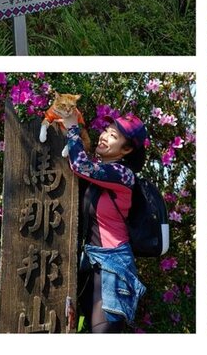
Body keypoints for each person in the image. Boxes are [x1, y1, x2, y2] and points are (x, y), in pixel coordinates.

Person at [56, 108, 147, 333]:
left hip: (113, 265)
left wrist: (72, 126)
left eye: (114, 136)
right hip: (92, 263)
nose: (105, 135)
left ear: (126, 150)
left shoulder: (123, 175)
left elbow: (81, 166)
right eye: (106, 130)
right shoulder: (102, 174)